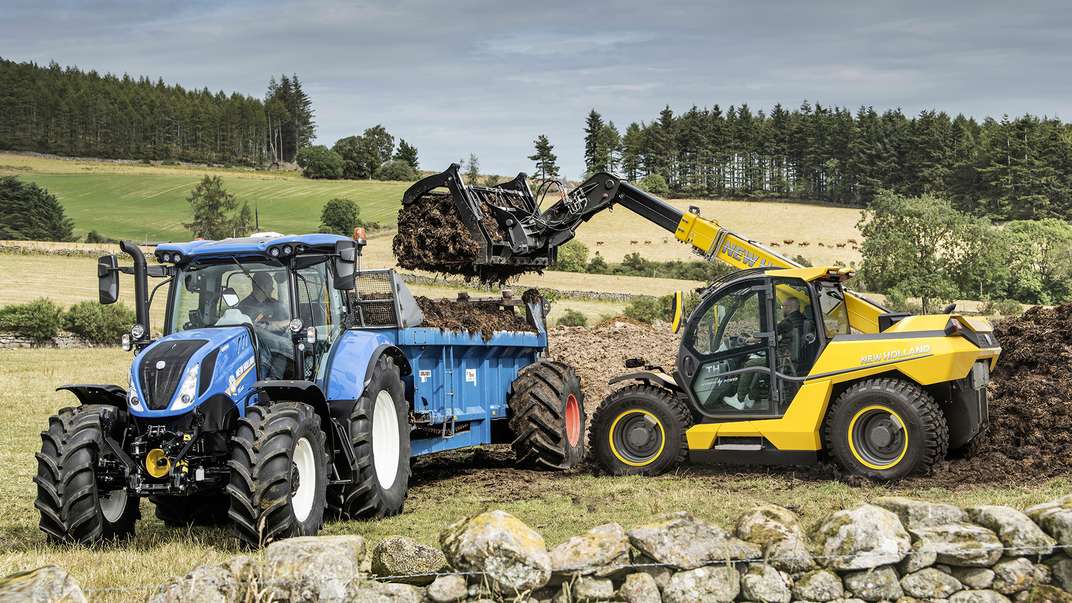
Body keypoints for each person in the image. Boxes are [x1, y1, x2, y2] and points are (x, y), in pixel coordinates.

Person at [723, 296, 806, 410]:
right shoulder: (802, 319)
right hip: (791, 357)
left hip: (782, 359)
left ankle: (739, 399)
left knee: (750, 364)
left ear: (789, 307)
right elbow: (788, 338)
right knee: (760, 367)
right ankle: (751, 398)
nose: (782, 309)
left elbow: (768, 334)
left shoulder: (788, 321)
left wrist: (750, 339)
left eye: (783, 307)